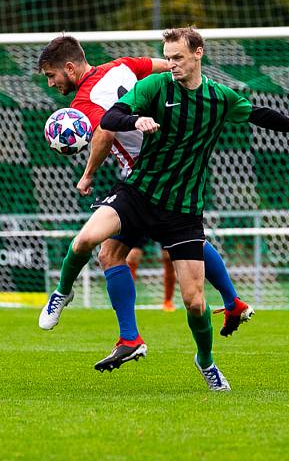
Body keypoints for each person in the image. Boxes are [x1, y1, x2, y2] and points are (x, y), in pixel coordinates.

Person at [73, 27, 289, 390]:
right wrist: (135, 120)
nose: (171, 64)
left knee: (195, 303)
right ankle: (78, 304)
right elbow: (111, 118)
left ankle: (206, 361)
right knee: (95, 244)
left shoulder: (219, 97)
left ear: (198, 53)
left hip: (184, 209)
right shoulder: (156, 87)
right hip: (140, 192)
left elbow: (261, 114)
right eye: (167, 57)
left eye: (178, 57)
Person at [36, 36, 254, 373]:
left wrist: (88, 175)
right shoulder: (122, 65)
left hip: (145, 177)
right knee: (172, 245)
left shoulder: (83, 102)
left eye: (52, 76)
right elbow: (168, 68)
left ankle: (92, 312)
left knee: (110, 252)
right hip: (176, 165)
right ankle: (231, 302)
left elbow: (105, 132)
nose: (51, 83)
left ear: (69, 67)